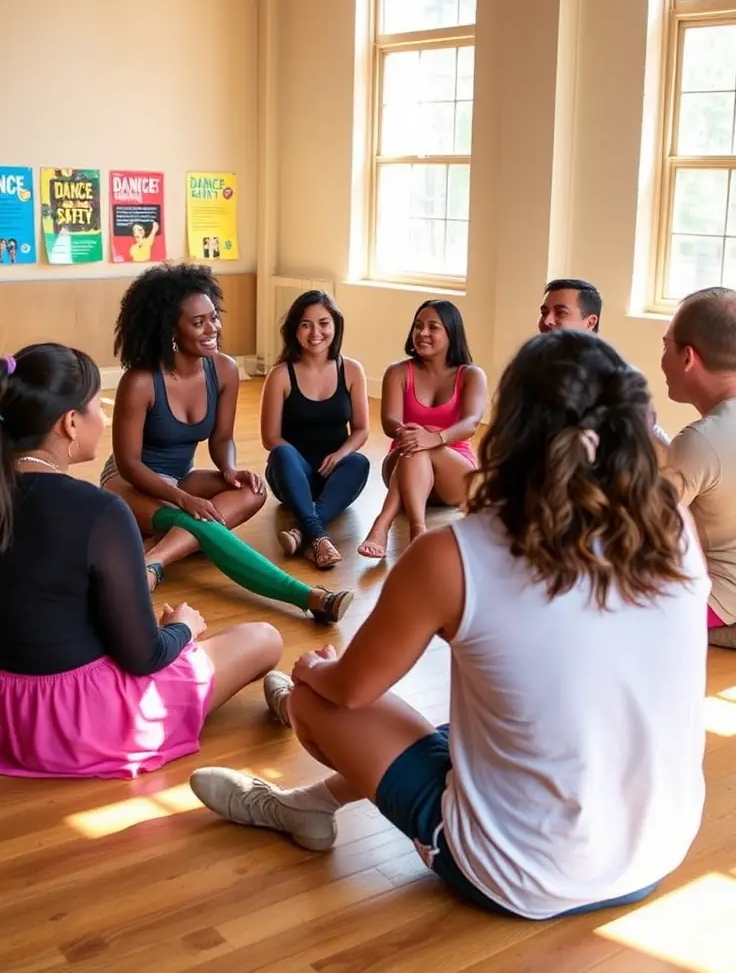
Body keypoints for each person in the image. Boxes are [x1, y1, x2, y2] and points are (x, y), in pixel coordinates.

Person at [189, 330, 709, 919]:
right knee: (488, 716)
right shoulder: (671, 523)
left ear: (508, 428)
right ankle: (310, 804)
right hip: (657, 851)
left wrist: (314, 672)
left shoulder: (453, 554)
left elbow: (352, 690)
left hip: (523, 874)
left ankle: (302, 763)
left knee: (318, 699)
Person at [0, 344, 284, 779]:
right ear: (70, 422)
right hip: (73, 721)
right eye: (98, 405)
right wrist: (183, 629)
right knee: (264, 638)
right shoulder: (99, 512)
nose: (104, 417)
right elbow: (143, 657)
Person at [102, 264, 352, 624]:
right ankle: (307, 596)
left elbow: (221, 439)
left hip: (180, 478)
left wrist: (229, 468)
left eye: (214, 317)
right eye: (198, 322)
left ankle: (153, 558)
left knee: (252, 491)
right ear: (171, 329)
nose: (213, 328)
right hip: (130, 484)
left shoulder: (224, 369)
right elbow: (129, 464)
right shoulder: (140, 381)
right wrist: (183, 499)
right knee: (203, 523)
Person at [358, 300, 486, 558]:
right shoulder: (397, 372)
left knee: (418, 441)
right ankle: (418, 528)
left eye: (433, 327)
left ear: (451, 333)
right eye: (418, 326)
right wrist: (415, 435)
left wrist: (434, 437)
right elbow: (390, 421)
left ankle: (384, 521)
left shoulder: (471, 375)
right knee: (414, 443)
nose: (422, 333)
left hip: (453, 471)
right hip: (403, 465)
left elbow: (471, 423)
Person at [260, 290, 370, 569]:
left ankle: (302, 531)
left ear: (336, 325)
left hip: (333, 476)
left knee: (358, 462)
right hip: (291, 476)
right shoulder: (281, 375)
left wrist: (340, 454)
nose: (315, 333)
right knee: (282, 452)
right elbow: (270, 437)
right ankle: (318, 535)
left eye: (323, 323)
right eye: (306, 324)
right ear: (294, 330)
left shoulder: (352, 370)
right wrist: (296, 462)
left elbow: (361, 430)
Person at [661, 286, 736, 644]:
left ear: (688, 357)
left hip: (721, 602)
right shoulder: (703, 441)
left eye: (665, 346)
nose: (662, 359)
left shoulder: (700, 440)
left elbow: (641, 530)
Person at [539, 277, 671, 451]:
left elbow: (655, 440)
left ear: (590, 322)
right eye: (544, 312)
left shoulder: (614, 376)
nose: (547, 321)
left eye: (560, 313)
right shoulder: (534, 369)